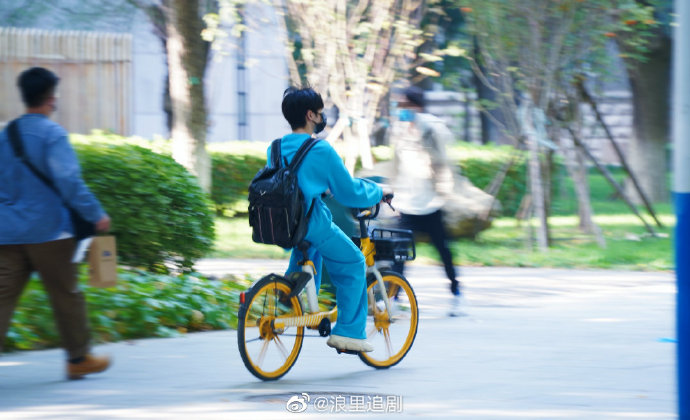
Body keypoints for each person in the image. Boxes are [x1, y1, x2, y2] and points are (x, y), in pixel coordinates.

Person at [0, 67, 112, 379]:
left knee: (2, 298)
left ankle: (79, 359)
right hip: (49, 232)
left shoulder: (5, 136)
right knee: (66, 295)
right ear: (51, 98)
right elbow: (69, 181)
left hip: (7, 232)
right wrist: (96, 214)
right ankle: (78, 359)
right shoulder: (52, 134)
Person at [276, 87, 390, 352]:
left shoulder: (276, 147)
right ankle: (348, 334)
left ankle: (285, 305)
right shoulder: (320, 149)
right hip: (311, 221)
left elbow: (292, 182)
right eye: (319, 112)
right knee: (354, 262)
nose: (322, 117)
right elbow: (349, 192)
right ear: (310, 115)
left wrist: (320, 188)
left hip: (284, 223)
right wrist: (379, 191)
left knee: (309, 251)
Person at [389, 86, 462, 316]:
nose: (401, 109)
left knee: (443, 251)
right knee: (400, 253)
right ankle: (393, 299)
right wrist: (393, 195)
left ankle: (457, 295)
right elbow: (396, 165)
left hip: (431, 203)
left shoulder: (431, 129)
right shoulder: (400, 131)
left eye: (405, 105)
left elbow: (443, 162)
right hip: (407, 203)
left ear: (417, 106)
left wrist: (445, 192)